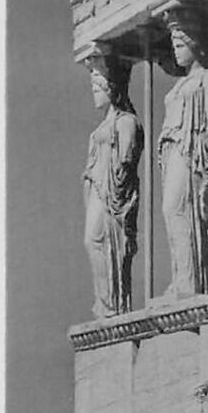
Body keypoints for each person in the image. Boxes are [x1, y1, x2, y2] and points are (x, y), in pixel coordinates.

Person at [158, 7, 208, 298]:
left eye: (179, 45)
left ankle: (191, 282)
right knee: (171, 212)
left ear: (193, 43)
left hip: (191, 153)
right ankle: (181, 277)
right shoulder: (178, 85)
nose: (176, 52)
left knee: (179, 210)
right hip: (173, 150)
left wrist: (204, 145)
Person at [82, 51, 143, 317]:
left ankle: (113, 303)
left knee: (100, 240)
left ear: (112, 87)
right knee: (92, 241)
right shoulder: (99, 129)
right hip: (96, 188)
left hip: (112, 194)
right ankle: (104, 301)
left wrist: (116, 175)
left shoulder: (126, 121)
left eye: (99, 87)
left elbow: (127, 161)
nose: (95, 92)